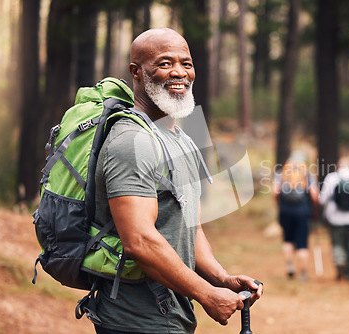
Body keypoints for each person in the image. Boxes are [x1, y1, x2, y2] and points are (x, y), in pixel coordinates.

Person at [93, 28, 263, 334]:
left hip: (171, 317)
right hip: (135, 321)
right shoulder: (132, 142)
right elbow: (139, 240)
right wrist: (205, 294)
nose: (178, 73)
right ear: (136, 72)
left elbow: (188, 225)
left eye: (186, 63)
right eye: (164, 63)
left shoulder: (181, 138)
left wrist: (221, 279)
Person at [273, 151, 319, 281]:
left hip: (285, 211)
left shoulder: (282, 173)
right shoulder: (307, 174)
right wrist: (315, 209)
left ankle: (290, 267)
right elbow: (314, 195)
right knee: (302, 243)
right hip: (302, 212)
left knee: (287, 240)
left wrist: (279, 206)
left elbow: (275, 192)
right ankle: (303, 273)